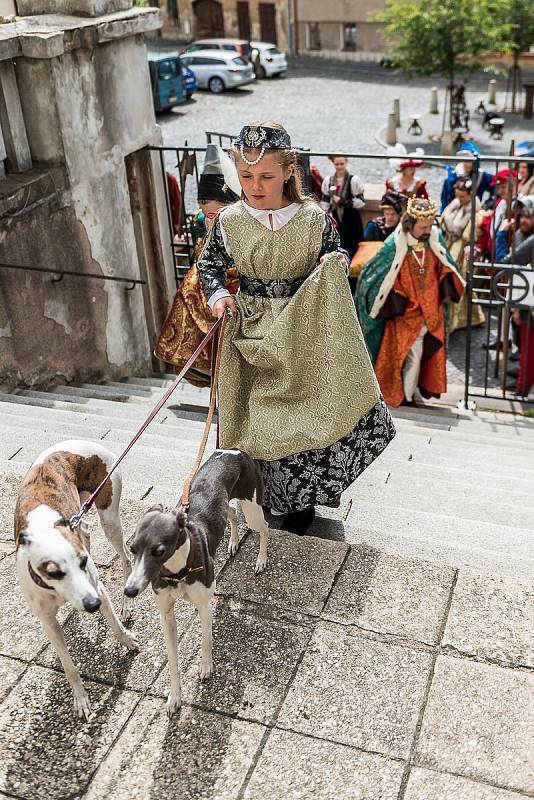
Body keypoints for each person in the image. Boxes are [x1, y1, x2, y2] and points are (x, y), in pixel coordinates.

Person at [197, 121, 395, 534]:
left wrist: (334, 263)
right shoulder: (229, 220)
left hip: (302, 329)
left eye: (266, 176)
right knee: (257, 422)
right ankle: (264, 496)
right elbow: (209, 264)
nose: (255, 185)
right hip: (249, 330)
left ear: (289, 170)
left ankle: (303, 499)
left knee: (301, 415)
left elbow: (336, 252)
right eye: (246, 176)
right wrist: (218, 295)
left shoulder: (313, 219)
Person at [356, 197, 465, 408]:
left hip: (431, 313)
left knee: (424, 355)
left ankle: (410, 392)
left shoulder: (435, 239)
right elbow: (376, 273)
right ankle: (404, 397)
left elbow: (445, 265)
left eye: (431, 225)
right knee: (407, 356)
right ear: (410, 224)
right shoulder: (394, 244)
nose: (428, 230)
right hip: (405, 314)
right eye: (424, 226)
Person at [155, 144, 241, 387]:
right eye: (207, 214)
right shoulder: (203, 221)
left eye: (215, 215)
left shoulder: (241, 224)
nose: (210, 219)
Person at [495, 197, 534, 395]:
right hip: (524, 296)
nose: (522, 221)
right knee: (523, 342)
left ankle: (522, 388)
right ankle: (522, 377)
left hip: (529, 300)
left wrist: (500, 235)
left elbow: (507, 263)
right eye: (521, 216)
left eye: (528, 216)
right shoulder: (521, 233)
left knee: (529, 347)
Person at [440, 176, 485, 332]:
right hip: (450, 243)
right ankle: (475, 317)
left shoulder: (476, 211)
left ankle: (456, 320)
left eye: (462, 196)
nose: (459, 199)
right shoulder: (456, 203)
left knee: (458, 281)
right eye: (457, 196)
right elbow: (444, 221)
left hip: (461, 248)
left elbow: (470, 235)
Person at [320, 153, 365, 261]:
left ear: (346, 163)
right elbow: (325, 200)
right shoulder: (329, 180)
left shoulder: (353, 180)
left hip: (351, 218)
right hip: (335, 218)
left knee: (352, 245)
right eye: (337, 164)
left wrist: (343, 201)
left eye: (341, 164)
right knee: (337, 245)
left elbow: (361, 201)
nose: (339, 166)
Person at [440, 141, 493, 211]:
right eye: (465, 159)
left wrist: (487, 205)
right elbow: (445, 198)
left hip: (474, 213)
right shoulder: (452, 175)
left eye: (471, 160)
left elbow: (496, 189)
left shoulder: (483, 176)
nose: (468, 163)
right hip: (454, 212)